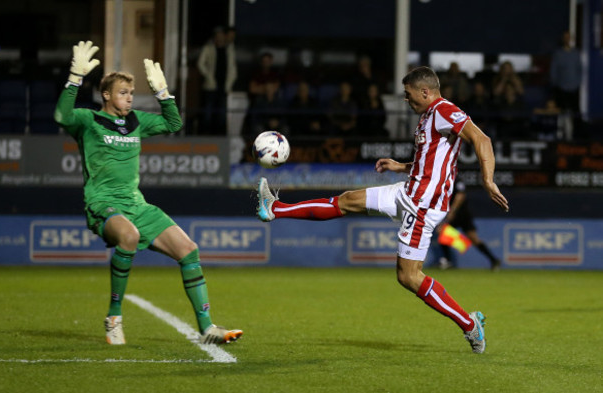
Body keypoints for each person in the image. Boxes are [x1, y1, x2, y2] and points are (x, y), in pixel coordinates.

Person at [255, 66, 509, 354]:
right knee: (348, 200)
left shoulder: (443, 110)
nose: (406, 99)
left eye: (409, 94)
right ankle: (275, 208)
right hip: (408, 190)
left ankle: (469, 324)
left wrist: (488, 180)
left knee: (409, 277)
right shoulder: (429, 117)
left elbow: (482, 139)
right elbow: (430, 163)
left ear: (425, 92)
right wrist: (399, 166)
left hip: (422, 204)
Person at [54, 41, 242, 345]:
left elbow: (174, 122)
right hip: (102, 203)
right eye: (123, 93)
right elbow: (62, 116)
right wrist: (75, 78)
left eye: (131, 93)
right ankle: (114, 318)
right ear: (106, 95)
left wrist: (163, 94)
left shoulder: (136, 121)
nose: (129, 98)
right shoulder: (89, 121)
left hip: (136, 205)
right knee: (127, 236)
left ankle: (207, 327)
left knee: (189, 249)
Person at [436, 178, 502, 271]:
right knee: (443, 232)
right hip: (456, 213)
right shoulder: (444, 179)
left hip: (460, 214)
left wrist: (452, 211)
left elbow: (461, 195)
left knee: (471, 238)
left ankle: (493, 260)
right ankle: (448, 260)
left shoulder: (456, 180)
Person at [196, 26, 237, 135]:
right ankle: (205, 134)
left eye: (221, 36)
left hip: (224, 86)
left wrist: (230, 83)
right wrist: (208, 75)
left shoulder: (229, 50)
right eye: (217, 36)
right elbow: (200, 64)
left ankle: (220, 135)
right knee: (208, 112)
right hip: (211, 85)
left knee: (222, 112)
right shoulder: (208, 48)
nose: (219, 38)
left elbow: (232, 68)